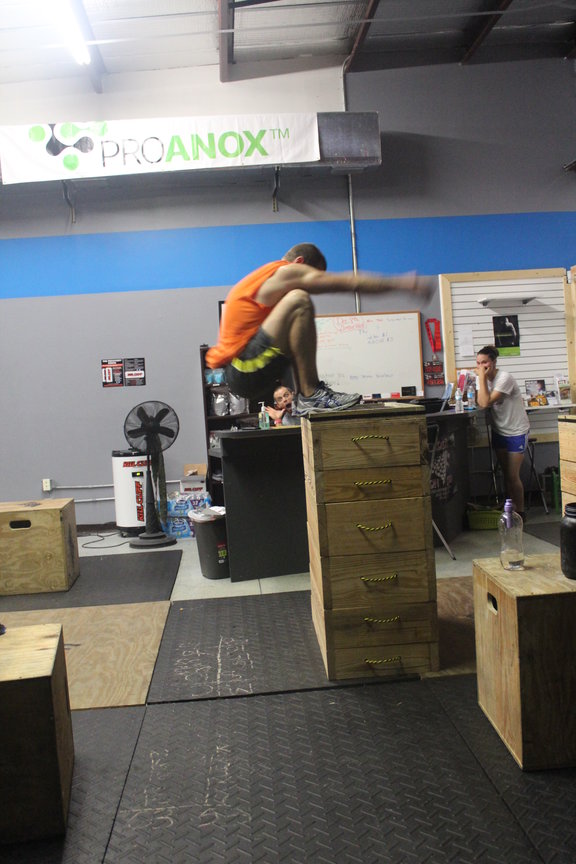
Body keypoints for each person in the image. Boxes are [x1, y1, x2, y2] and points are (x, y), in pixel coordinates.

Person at [205, 242, 433, 414]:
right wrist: (402, 283)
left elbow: (297, 345)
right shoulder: (284, 271)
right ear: (299, 263)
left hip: (246, 372)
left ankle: (307, 396)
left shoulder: (267, 288)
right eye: (313, 275)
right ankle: (311, 394)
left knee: (297, 323)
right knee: (299, 300)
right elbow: (348, 283)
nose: (312, 281)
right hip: (242, 370)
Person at [475, 345, 530, 519]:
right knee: (506, 474)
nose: (481, 366)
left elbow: (486, 402)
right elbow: (481, 401)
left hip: (516, 431)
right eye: (478, 363)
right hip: (499, 430)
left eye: (484, 362)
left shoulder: (504, 378)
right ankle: (510, 509)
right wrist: (481, 380)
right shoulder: (483, 379)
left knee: (513, 476)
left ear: (493, 362)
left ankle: (521, 512)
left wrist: (481, 378)